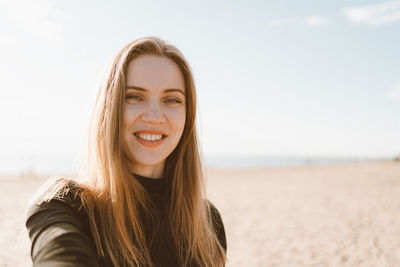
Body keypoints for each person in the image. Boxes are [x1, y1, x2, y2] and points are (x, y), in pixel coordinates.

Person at [25, 37, 227, 267]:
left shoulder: (207, 222)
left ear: (187, 115)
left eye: (171, 99)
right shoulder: (65, 205)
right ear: (109, 110)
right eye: (134, 97)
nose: (153, 116)